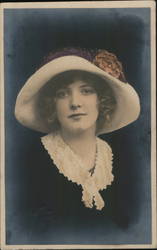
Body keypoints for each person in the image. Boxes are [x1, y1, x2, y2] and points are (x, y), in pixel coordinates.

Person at [14, 48, 140, 213]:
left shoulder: (121, 160)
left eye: (86, 91)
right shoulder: (29, 161)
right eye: (62, 94)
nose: (75, 103)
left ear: (101, 100)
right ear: (52, 105)